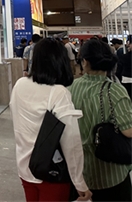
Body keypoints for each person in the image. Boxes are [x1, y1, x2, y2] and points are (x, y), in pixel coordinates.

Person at [10, 38, 91, 202]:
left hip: (25, 167)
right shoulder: (59, 92)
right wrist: (79, 181)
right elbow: (71, 140)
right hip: (51, 171)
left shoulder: (19, 85)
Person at [69, 39, 132, 201]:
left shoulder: (69, 89)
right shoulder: (115, 91)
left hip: (79, 172)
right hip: (111, 173)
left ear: (85, 62)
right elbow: (129, 131)